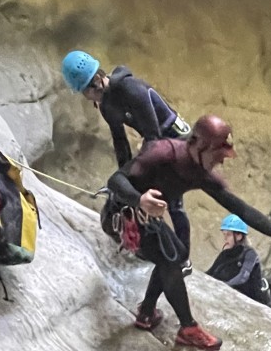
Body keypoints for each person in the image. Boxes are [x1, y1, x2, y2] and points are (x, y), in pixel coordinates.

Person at [106, 115, 271, 351]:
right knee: (171, 260)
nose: (221, 162)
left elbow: (240, 208)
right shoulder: (162, 153)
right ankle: (188, 328)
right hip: (122, 217)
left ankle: (147, 313)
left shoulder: (201, 174)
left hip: (145, 221)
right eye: (217, 156)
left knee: (176, 254)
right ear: (198, 144)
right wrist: (139, 199)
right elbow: (116, 180)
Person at [61, 49, 193, 270]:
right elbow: (120, 144)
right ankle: (154, 247)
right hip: (156, 142)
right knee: (133, 191)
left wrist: (137, 177)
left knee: (173, 202)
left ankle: (183, 259)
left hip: (178, 143)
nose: (87, 98)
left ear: (95, 81)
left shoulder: (130, 89)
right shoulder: (106, 104)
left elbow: (153, 136)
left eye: (85, 92)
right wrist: (124, 181)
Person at [206, 214, 267, 304]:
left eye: (229, 235)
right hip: (230, 298)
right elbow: (210, 273)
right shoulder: (225, 254)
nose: (225, 238)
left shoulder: (250, 254)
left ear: (239, 236)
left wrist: (222, 286)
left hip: (252, 302)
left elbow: (243, 277)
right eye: (224, 234)